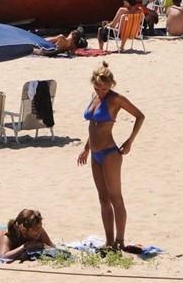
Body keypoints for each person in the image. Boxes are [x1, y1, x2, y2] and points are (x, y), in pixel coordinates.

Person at [77, 61, 144, 251]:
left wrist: (130, 141)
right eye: (98, 87)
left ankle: (120, 241)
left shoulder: (115, 99)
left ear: (111, 85)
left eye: (105, 88)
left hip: (110, 153)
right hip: (95, 154)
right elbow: (93, 127)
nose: (101, 91)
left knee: (116, 197)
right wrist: (86, 147)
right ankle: (109, 241)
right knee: (103, 198)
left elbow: (140, 116)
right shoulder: (94, 96)